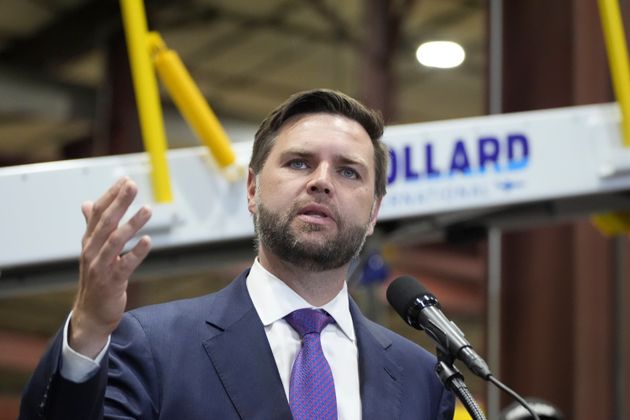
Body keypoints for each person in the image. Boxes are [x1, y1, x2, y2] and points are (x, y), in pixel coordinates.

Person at [19, 89, 454, 419]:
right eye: (299, 162)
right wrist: (89, 331)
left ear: (374, 210)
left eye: (348, 171)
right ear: (252, 190)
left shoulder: (421, 379)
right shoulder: (153, 346)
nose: (322, 181)